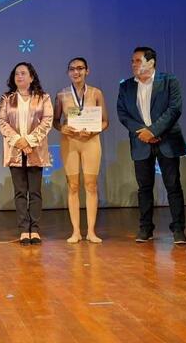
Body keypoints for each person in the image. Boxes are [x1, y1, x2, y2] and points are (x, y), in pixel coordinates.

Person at [117, 47, 186, 244]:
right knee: (144, 188)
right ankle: (145, 228)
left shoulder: (169, 81)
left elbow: (174, 109)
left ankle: (178, 229)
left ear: (151, 62)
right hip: (141, 141)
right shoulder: (126, 86)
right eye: (132, 61)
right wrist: (144, 133)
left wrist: (154, 131)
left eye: (138, 60)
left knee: (173, 186)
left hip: (167, 140)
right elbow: (123, 113)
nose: (133, 64)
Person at [53, 57, 109, 244]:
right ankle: (76, 231)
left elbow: (105, 121)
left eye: (80, 68)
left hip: (91, 142)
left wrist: (93, 130)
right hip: (70, 142)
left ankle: (91, 231)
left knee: (91, 185)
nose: (76, 72)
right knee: (73, 186)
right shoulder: (61, 95)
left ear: (87, 71)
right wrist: (62, 128)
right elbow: (55, 121)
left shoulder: (96, 93)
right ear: (68, 72)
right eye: (72, 69)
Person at [0, 62, 53, 245]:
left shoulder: (43, 98)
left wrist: (29, 141)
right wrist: (19, 141)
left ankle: (34, 229)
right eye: (16, 74)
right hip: (15, 150)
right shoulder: (7, 98)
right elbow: (2, 122)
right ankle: (23, 230)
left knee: (35, 192)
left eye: (23, 73)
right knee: (20, 192)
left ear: (31, 77)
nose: (19, 76)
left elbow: (47, 121)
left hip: (35, 150)